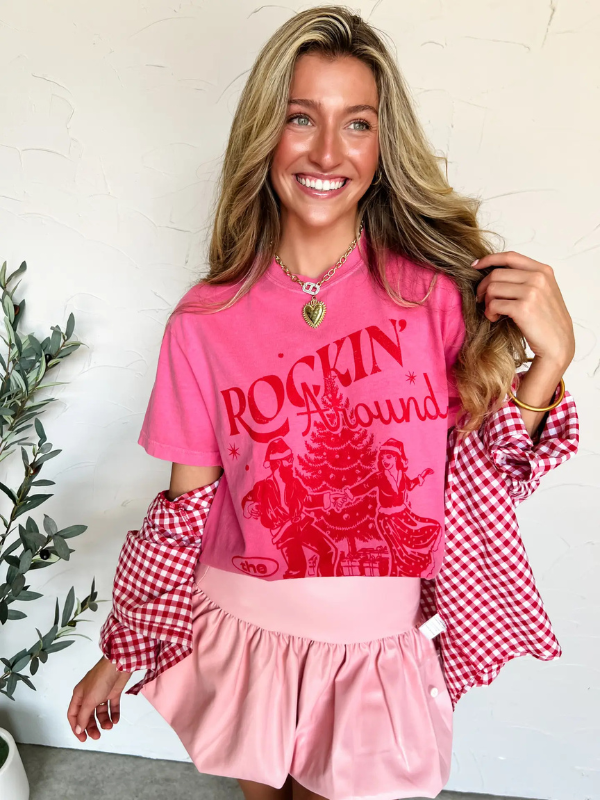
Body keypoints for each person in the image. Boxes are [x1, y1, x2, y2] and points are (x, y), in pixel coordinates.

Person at [67, 7, 576, 800]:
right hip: (244, 633)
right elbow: (186, 510)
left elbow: (483, 488)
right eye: (301, 118)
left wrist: (551, 362)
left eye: (358, 124)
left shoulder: (435, 298)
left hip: (373, 647)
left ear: (382, 145)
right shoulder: (206, 321)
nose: (328, 152)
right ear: (266, 133)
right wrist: (123, 646)